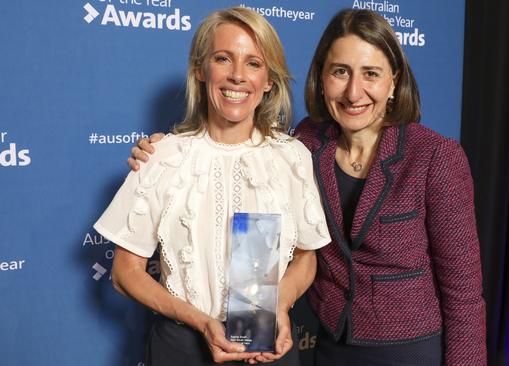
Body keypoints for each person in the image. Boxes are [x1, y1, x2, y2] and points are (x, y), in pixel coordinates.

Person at [130, 9, 487, 366]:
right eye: (340, 72)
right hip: (328, 346)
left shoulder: (435, 157)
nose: (353, 91)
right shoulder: (306, 144)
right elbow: (238, 149)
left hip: (410, 350)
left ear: (394, 81)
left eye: (371, 74)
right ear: (322, 78)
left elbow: (464, 293)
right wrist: (166, 150)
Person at [95, 7, 331, 366]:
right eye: (223, 59)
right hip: (181, 347)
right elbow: (124, 273)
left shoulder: (293, 157)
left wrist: (279, 305)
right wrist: (201, 322)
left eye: (253, 63)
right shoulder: (162, 156)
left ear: (269, 80)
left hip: (268, 345)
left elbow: (306, 257)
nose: (237, 76)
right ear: (200, 70)